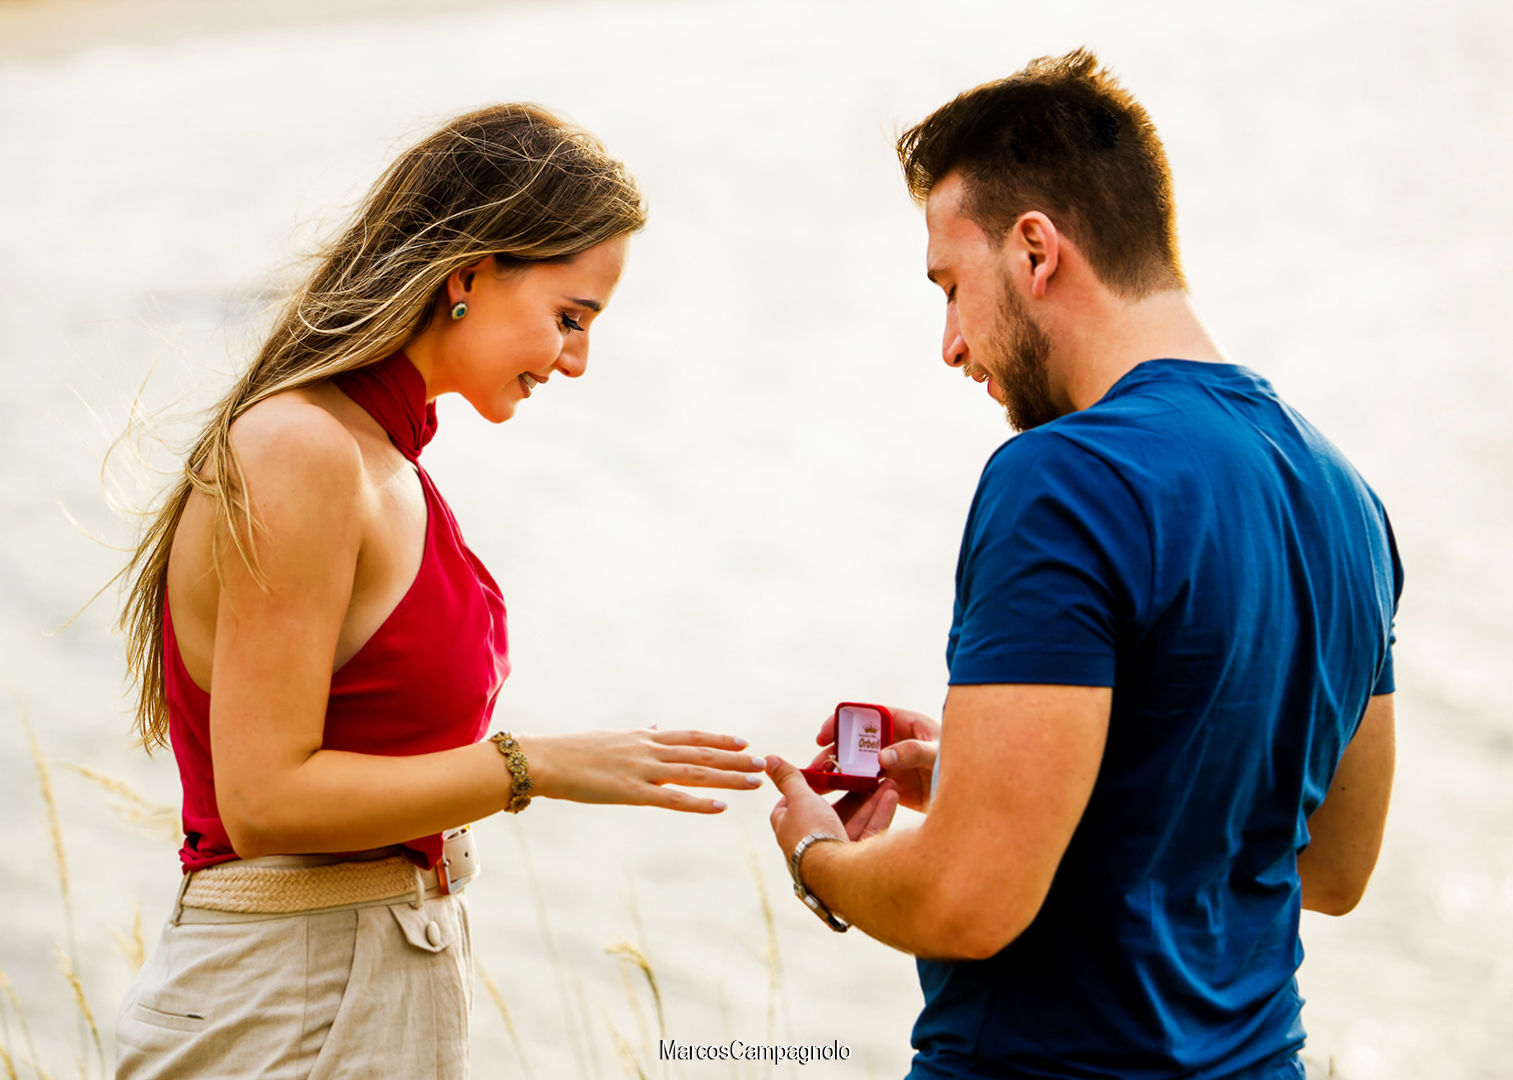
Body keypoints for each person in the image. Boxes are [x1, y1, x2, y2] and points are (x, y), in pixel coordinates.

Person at [766, 49, 1401, 1080]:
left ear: (1034, 251)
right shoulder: (1345, 497)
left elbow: (965, 902)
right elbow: (1331, 869)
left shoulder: (1059, 479)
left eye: (950, 287)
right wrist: (997, 786)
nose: (951, 344)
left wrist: (819, 856)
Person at [114, 103, 767, 1080]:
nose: (576, 359)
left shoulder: (383, 462)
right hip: (291, 1001)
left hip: (355, 981)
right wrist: (531, 766)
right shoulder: (304, 449)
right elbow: (262, 800)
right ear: (467, 276)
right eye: (569, 317)